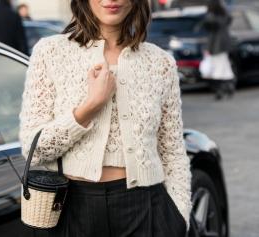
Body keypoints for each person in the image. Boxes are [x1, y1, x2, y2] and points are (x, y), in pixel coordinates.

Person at [19, 0, 192, 236]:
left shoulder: (160, 63)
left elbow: (172, 151)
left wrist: (179, 216)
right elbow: (34, 149)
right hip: (71, 208)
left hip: (146, 206)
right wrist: (90, 107)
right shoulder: (50, 53)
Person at [201, 0, 236, 100]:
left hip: (216, 47)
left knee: (218, 69)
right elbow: (228, 19)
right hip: (224, 46)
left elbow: (210, 31)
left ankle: (221, 90)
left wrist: (208, 49)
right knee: (225, 67)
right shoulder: (224, 16)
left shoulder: (211, 18)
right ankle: (229, 86)